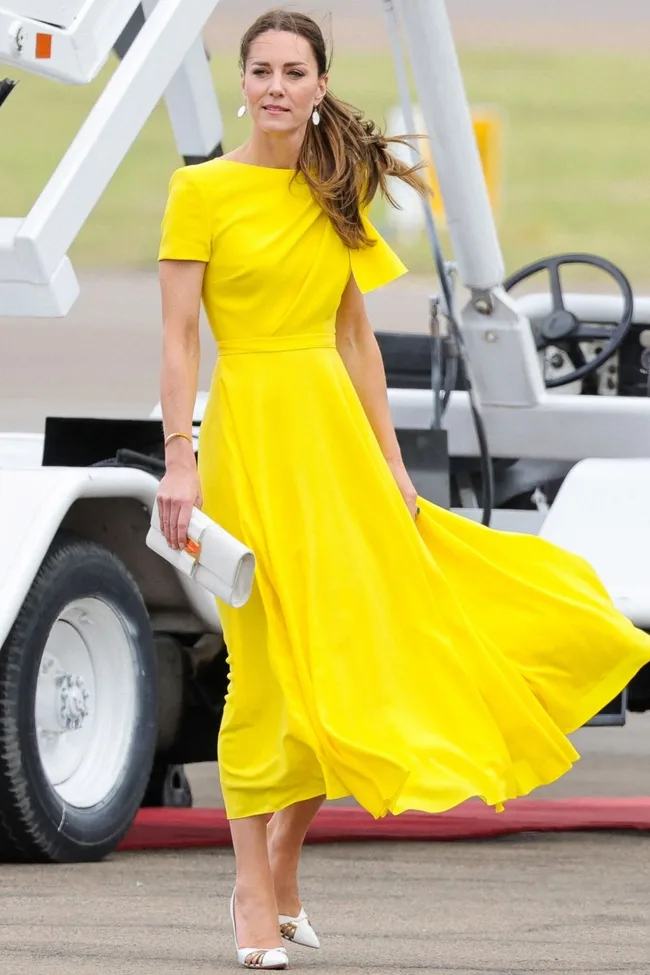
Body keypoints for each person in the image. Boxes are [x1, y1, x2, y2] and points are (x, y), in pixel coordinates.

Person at [156, 8, 650, 971]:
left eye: (294, 71)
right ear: (243, 81)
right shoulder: (199, 191)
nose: (274, 88)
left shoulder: (336, 187)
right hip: (250, 439)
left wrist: (389, 463)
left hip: (335, 445)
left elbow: (356, 340)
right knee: (263, 666)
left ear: (320, 81)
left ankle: (287, 860)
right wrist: (181, 455)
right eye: (259, 70)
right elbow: (177, 337)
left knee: (351, 665)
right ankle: (251, 890)